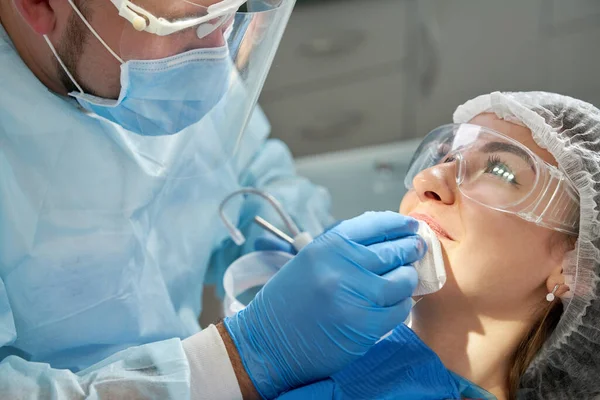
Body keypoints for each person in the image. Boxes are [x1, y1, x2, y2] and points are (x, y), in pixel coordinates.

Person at [0, 0, 426, 398]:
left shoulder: (185, 43)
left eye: (231, 14)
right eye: (187, 23)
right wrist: (243, 356)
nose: (216, 52)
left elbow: (248, 167)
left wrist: (294, 232)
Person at [275, 91, 600, 400]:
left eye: (499, 170)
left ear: (575, 266)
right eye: (444, 157)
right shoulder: (339, 349)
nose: (427, 181)